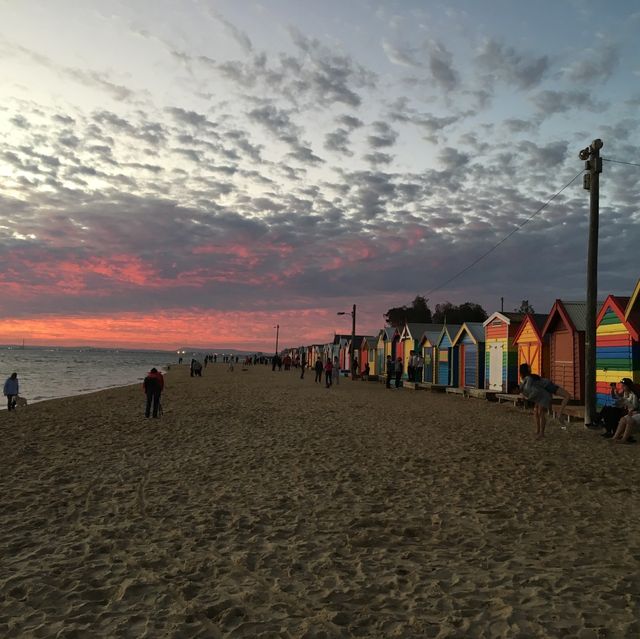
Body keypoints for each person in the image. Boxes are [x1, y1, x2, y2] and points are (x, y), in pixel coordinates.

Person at [519, 363, 571, 439]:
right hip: (547, 387)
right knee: (567, 396)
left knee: (538, 412)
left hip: (542, 391)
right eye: (529, 367)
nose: (531, 368)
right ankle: (559, 414)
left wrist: (526, 396)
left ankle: (539, 431)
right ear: (527, 370)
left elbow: (529, 389)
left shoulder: (527, 378)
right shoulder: (530, 378)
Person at [611, 378, 640, 444]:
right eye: (622, 385)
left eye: (623, 386)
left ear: (628, 386)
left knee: (629, 420)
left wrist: (624, 401)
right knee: (622, 419)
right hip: (632, 412)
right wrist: (613, 390)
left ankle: (624, 439)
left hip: (636, 412)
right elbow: (616, 397)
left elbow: (635, 407)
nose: (622, 387)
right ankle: (615, 437)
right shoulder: (625, 392)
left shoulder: (634, 394)